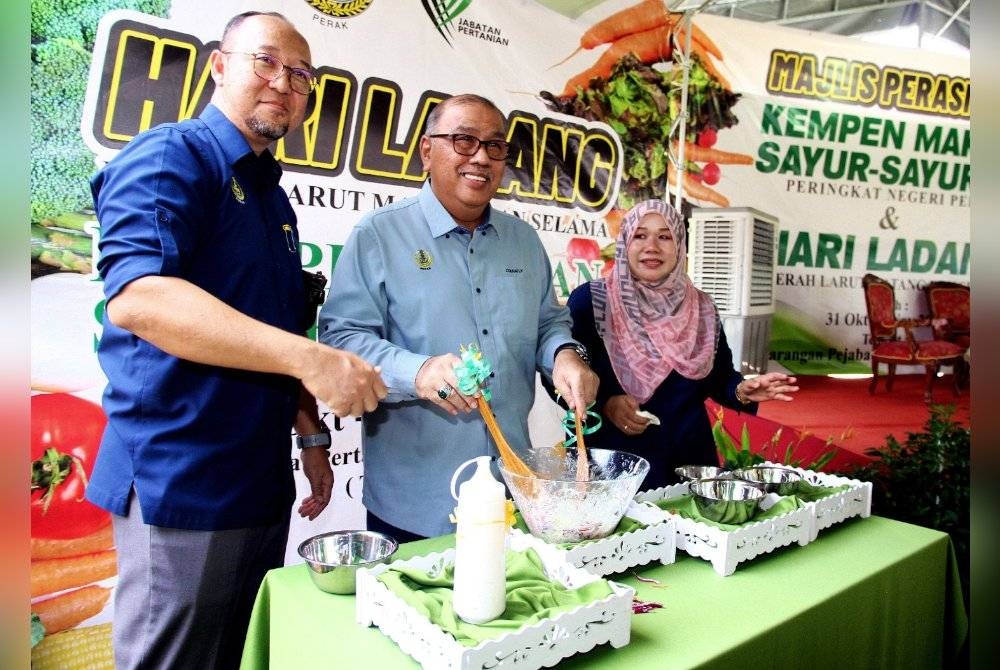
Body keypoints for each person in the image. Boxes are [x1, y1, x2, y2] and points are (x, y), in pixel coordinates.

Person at [86, 11, 387, 669]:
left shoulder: (271, 197)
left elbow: (269, 328)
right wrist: (313, 358)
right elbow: (140, 297)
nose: (284, 82)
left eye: (302, 75)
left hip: (256, 478)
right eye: (266, 62)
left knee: (237, 656)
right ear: (219, 66)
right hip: (182, 479)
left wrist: (309, 432)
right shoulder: (171, 155)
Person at [318, 93, 599, 541]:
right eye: (464, 141)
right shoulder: (379, 235)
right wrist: (420, 371)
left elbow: (548, 322)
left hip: (511, 490)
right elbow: (343, 339)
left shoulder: (524, 242)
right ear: (427, 150)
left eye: (495, 146)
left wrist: (565, 355)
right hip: (415, 500)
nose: (481, 158)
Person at [566, 199, 798, 490]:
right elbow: (560, 376)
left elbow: (719, 377)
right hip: (612, 461)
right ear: (625, 242)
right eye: (640, 235)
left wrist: (741, 390)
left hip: (687, 459)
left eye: (665, 236)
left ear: (680, 246)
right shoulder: (592, 302)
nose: (652, 246)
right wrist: (606, 404)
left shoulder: (701, 308)